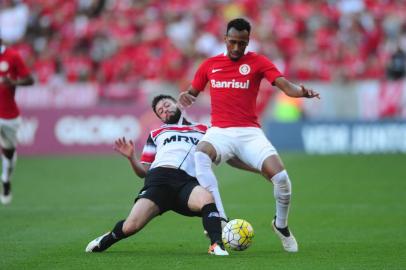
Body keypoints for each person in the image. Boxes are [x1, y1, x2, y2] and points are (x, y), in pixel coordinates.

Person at [178, 18, 320, 253]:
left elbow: (285, 86)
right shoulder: (209, 65)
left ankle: (281, 225)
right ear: (225, 39)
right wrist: (187, 96)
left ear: (248, 41)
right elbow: (192, 92)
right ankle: (220, 218)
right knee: (200, 154)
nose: (236, 48)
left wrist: (301, 92)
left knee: (282, 179)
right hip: (220, 131)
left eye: (242, 44)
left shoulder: (258, 62)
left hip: (249, 133)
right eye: (232, 42)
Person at [85, 95, 229, 256]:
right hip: (160, 179)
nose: (165, 110)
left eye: (167, 105)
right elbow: (143, 172)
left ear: (176, 104)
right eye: (160, 111)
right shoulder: (156, 133)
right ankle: (106, 239)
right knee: (131, 226)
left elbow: (221, 151)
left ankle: (216, 245)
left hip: (187, 182)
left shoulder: (204, 129)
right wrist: (132, 158)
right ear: (160, 117)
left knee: (207, 199)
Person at [0, 37, 34, 205]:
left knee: (9, 152)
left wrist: (12, 81)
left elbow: (30, 80)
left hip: (9, 115)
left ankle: (6, 179)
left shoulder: (12, 56)